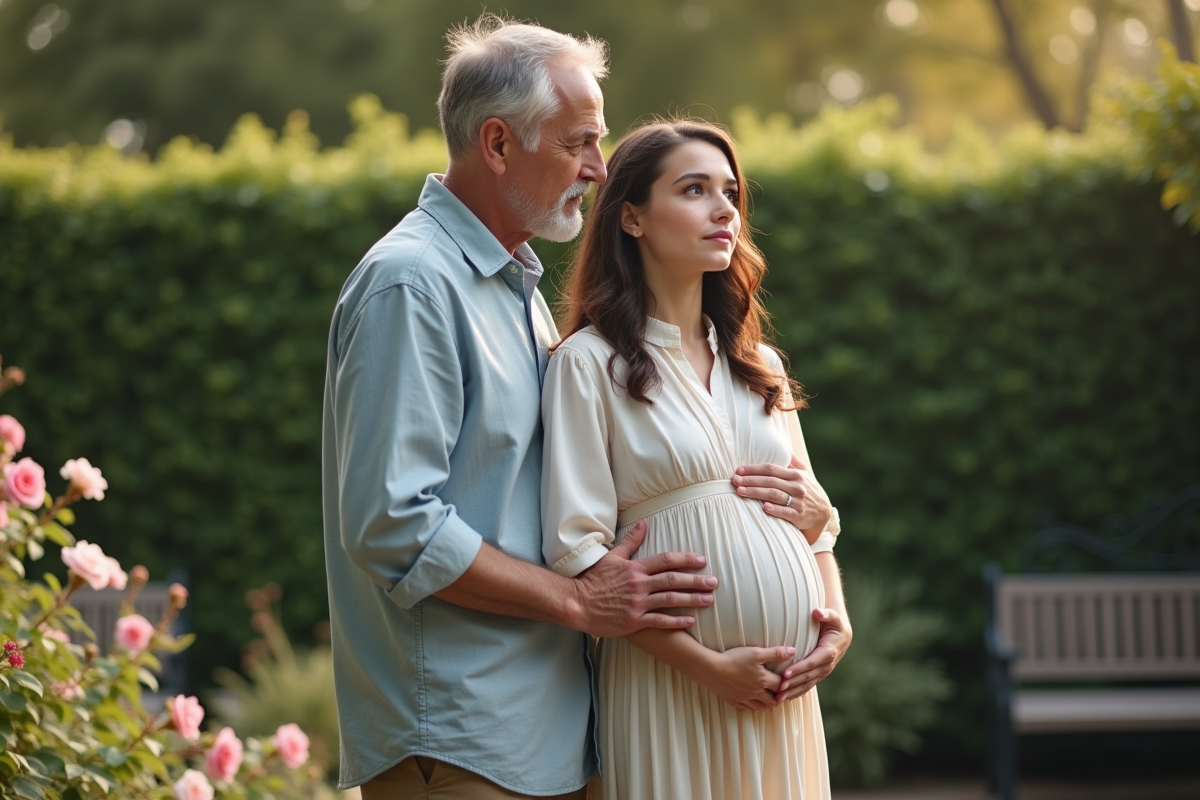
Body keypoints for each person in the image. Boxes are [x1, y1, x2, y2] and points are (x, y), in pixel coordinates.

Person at [321, 16, 824, 800]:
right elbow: (394, 525)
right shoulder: (414, 285)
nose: (598, 169)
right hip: (458, 735)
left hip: (547, 725)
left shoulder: (513, 288)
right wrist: (581, 600)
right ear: (497, 144)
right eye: (578, 142)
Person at [542, 119, 852, 800]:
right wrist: (708, 666)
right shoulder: (588, 366)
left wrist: (837, 626)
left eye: (731, 193)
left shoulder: (760, 367)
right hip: (667, 690)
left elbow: (816, 523)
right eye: (694, 190)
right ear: (632, 218)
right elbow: (580, 553)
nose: (724, 211)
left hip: (784, 697)